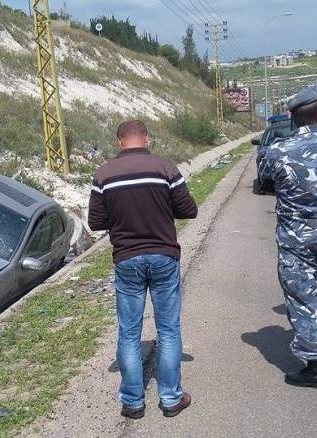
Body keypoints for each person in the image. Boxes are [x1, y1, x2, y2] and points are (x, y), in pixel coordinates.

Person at [88, 120, 198, 419]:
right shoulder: (165, 168)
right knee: (169, 329)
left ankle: (133, 402)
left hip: (127, 259)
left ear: (118, 141)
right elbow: (189, 210)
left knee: (129, 331)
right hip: (163, 256)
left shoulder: (104, 175)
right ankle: (172, 399)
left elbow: (96, 222)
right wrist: (160, 206)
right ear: (147, 139)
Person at [258, 85, 317, 389]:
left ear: (290, 117)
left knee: (303, 299)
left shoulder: (276, 151)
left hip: (296, 240)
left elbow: (264, 182)